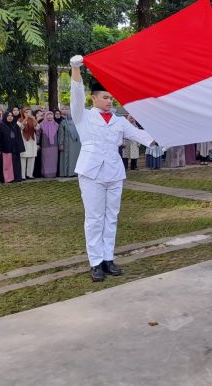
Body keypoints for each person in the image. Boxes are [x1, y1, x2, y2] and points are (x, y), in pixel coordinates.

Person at [69, 55, 157, 282]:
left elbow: (140, 135)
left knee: (112, 217)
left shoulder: (119, 121)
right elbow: (76, 97)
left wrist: (161, 137)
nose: (110, 101)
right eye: (106, 98)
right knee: (94, 218)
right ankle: (95, 262)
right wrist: (75, 69)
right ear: (94, 98)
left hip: (114, 173)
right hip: (91, 173)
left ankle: (108, 258)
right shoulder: (84, 116)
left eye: (111, 98)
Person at [0, 112, 25, 183]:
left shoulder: (15, 125)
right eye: (8, 116)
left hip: (15, 148)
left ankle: (17, 178)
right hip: (5, 148)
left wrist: (20, 147)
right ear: (5, 116)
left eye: (11, 116)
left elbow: (19, 137)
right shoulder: (1, 126)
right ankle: (8, 178)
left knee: (16, 163)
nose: (10, 117)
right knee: (7, 164)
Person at [57, 106, 81, 177]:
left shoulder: (78, 123)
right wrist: (60, 144)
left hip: (77, 145)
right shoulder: (64, 122)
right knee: (67, 159)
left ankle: (76, 172)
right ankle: (67, 173)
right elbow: (61, 134)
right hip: (67, 144)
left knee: (76, 159)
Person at [17, 107, 39, 179]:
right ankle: (23, 176)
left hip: (32, 140)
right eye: (26, 112)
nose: (27, 113)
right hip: (24, 140)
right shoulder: (19, 119)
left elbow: (37, 127)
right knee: (23, 157)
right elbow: (20, 127)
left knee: (32, 157)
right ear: (23, 113)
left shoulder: (32, 119)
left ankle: (29, 174)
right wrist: (26, 118)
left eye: (28, 112)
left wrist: (33, 119)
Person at [39, 111, 59, 178]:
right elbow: (37, 134)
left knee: (53, 160)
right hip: (45, 146)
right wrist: (37, 144)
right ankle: (45, 174)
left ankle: (53, 174)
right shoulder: (41, 125)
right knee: (45, 160)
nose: (50, 116)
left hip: (54, 146)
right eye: (48, 115)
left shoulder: (56, 125)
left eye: (51, 115)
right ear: (45, 116)